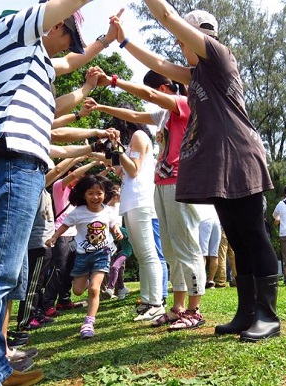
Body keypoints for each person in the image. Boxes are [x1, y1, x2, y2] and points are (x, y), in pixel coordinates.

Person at [0, 2, 110, 385]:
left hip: (18, 164)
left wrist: (105, 46)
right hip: (9, 159)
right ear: (54, 24)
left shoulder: (36, 64)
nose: (68, 48)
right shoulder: (14, 31)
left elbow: (70, 70)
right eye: (69, 37)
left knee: (1, 273)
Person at [110, 5, 279, 342]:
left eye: (181, 39)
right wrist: (124, 41)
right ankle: (246, 312)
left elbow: (168, 18)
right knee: (239, 239)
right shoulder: (197, 74)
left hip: (240, 156)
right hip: (219, 164)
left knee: (253, 235)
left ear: (197, 37)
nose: (179, 45)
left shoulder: (218, 56)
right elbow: (158, 66)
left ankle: (268, 315)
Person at [88, 69, 205, 331]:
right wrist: (101, 105)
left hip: (182, 181)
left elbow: (147, 94)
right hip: (161, 184)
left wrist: (114, 81)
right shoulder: (162, 116)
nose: (151, 100)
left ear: (163, 89)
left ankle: (195, 310)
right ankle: (178, 308)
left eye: (154, 93)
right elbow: (132, 115)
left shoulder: (183, 104)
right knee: (172, 250)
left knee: (186, 246)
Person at [83, 99, 165, 321]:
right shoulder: (132, 143)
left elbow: (134, 170)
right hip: (132, 201)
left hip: (141, 200)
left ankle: (156, 302)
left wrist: (118, 149)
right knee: (141, 255)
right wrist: (97, 153)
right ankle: (148, 300)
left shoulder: (139, 136)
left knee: (148, 254)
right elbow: (122, 169)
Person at [45, 174, 122, 339]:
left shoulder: (108, 211)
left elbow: (112, 224)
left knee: (94, 289)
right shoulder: (78, 212)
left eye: (99, 193)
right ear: (84, 195)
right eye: (90, 193)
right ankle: (88, 281)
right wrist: (54, 237)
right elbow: (64, 225)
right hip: (82, 256)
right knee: (78, 291)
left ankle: (88, 323)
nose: (95, 197)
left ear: (105, 194)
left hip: (102, 253)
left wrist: (115, 230)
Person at [194, 204, 222, 289]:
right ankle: (210, 280)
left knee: (202, 253)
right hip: (216, 220)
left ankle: (201, 281)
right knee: (214, 254)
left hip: (203, 220)